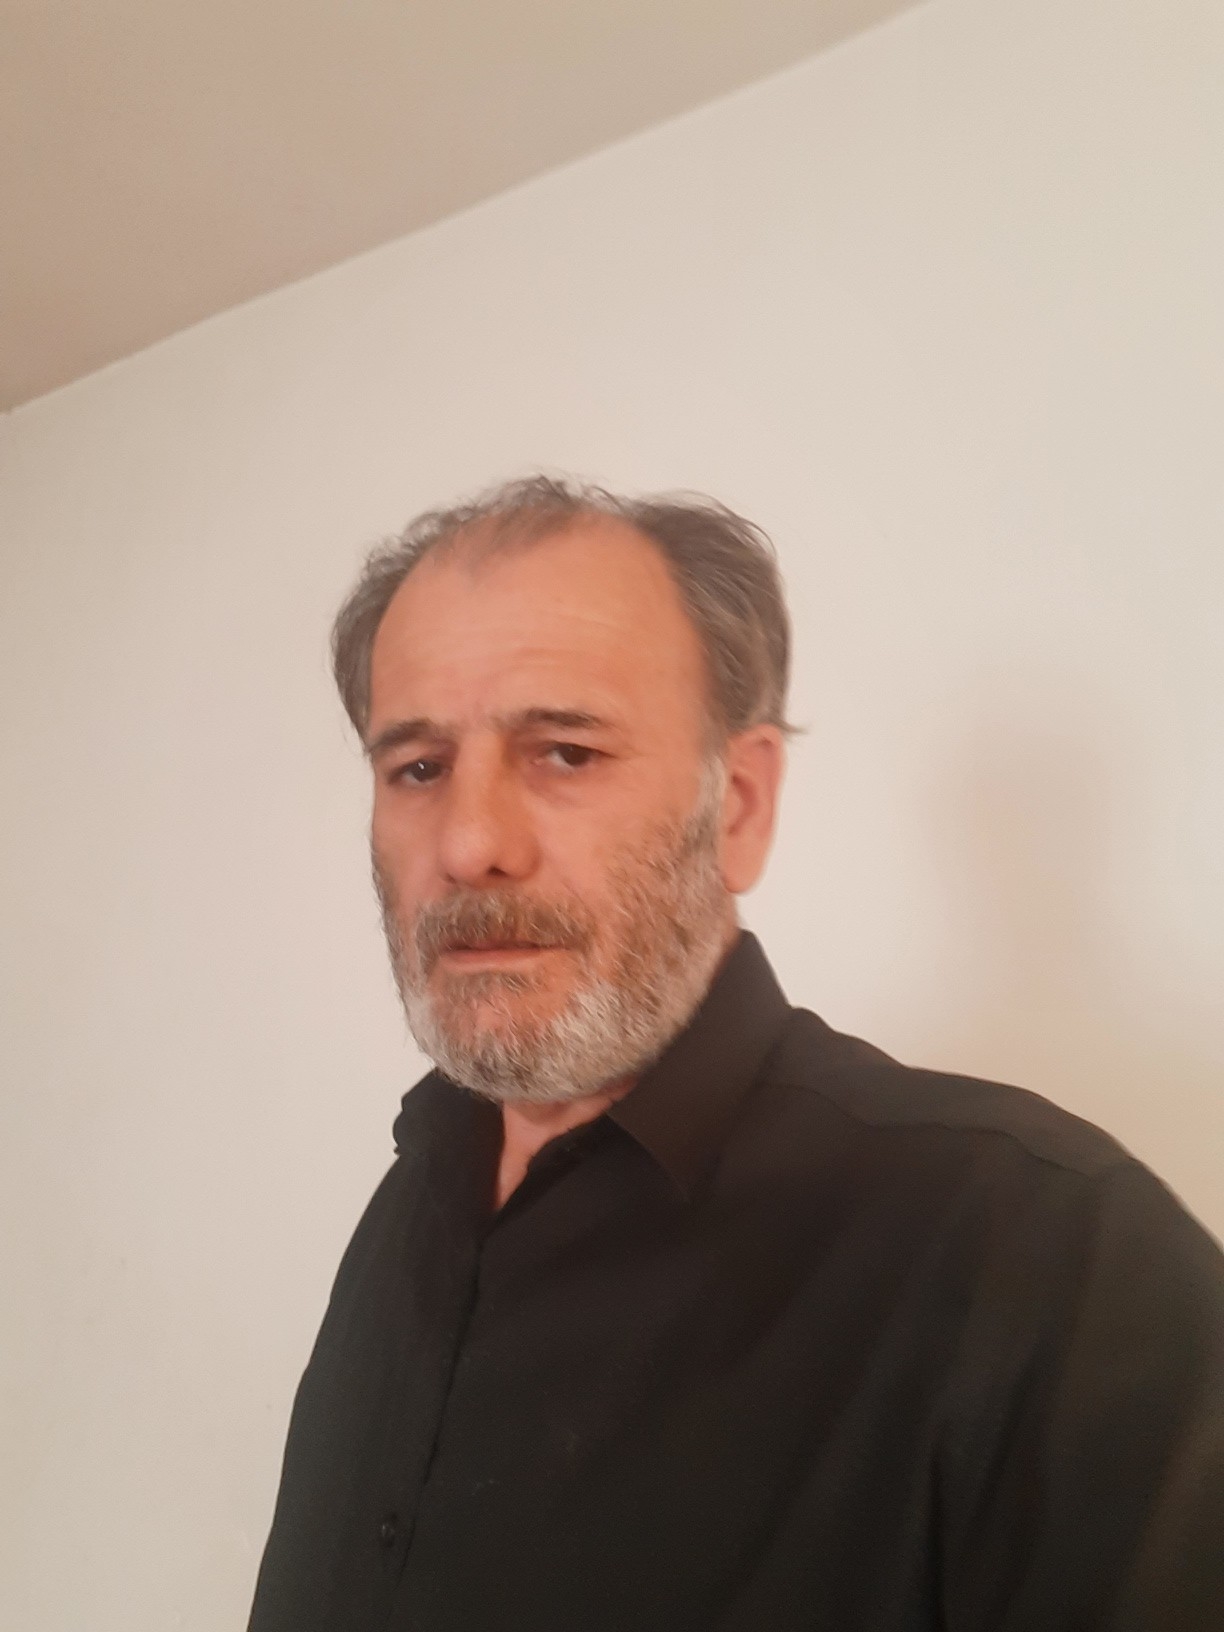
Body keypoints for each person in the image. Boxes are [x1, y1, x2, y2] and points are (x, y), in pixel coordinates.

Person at [248, 476, 1224, 1632]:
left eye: (565, 752)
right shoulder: (413, 1197)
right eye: (417, 768)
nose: (468, 843)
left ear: (741, 806)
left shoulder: (1056, 1263)